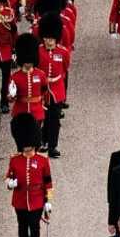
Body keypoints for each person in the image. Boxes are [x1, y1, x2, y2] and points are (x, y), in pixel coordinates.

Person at [5, 113, 53, 237]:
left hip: (37, 199)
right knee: (22, 227)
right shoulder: (15, 160)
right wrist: (11, 183)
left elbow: (48, 183)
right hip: (20, 199)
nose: (26, 146)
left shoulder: (42, 161)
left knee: (35, 228)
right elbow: (8, 177)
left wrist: (48, 201)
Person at [36, 14, 69, 159]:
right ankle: (43, 139)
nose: (49, 42)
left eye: (51, 39)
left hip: (56, 89)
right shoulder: (38, 50)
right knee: (43, 117)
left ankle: (52, 146)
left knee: (54, 119)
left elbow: (65, 68)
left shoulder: (62, 52)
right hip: (42, 89)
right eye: (46, 39)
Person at [7, 34, 47, 149]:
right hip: (21, 111)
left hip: (37, 111)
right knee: (21, 141)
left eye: (30, 61)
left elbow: (44, 89)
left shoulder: (40, 75)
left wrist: (41, 102)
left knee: (35, 141)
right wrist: (11, 96)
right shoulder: (15, 77)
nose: (28, 64)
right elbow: (10, 98)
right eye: (26, 61)